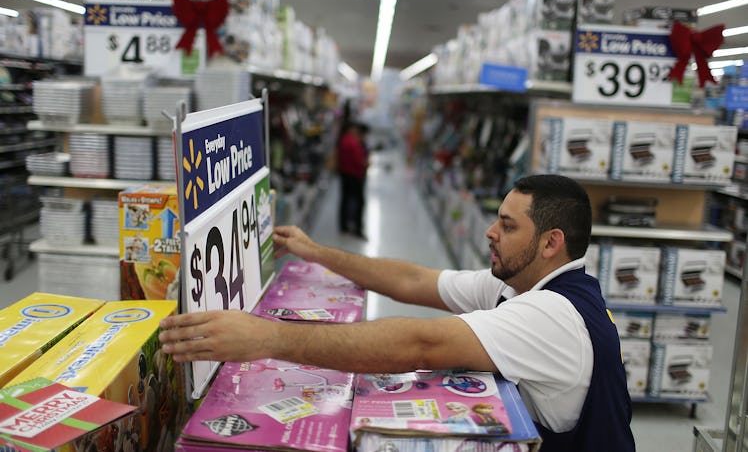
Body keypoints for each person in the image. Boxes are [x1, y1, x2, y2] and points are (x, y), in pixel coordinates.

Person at [159, 174, 635, 452]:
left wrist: (266, 339)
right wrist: (319, 252)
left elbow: (418, 344)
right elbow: (413, 281)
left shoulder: (549, 316)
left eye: (508, 225)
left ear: (552, 243)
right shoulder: (520, 284)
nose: (490, 232)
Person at [336, 120, 369, 238]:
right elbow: (359, 160)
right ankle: (357, 229)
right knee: (359, 201)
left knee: (345, 200)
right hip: (354, 175)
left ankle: (344, 226)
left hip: (345, 174)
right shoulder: (352, 142)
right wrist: (365, 163)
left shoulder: (343, 140)